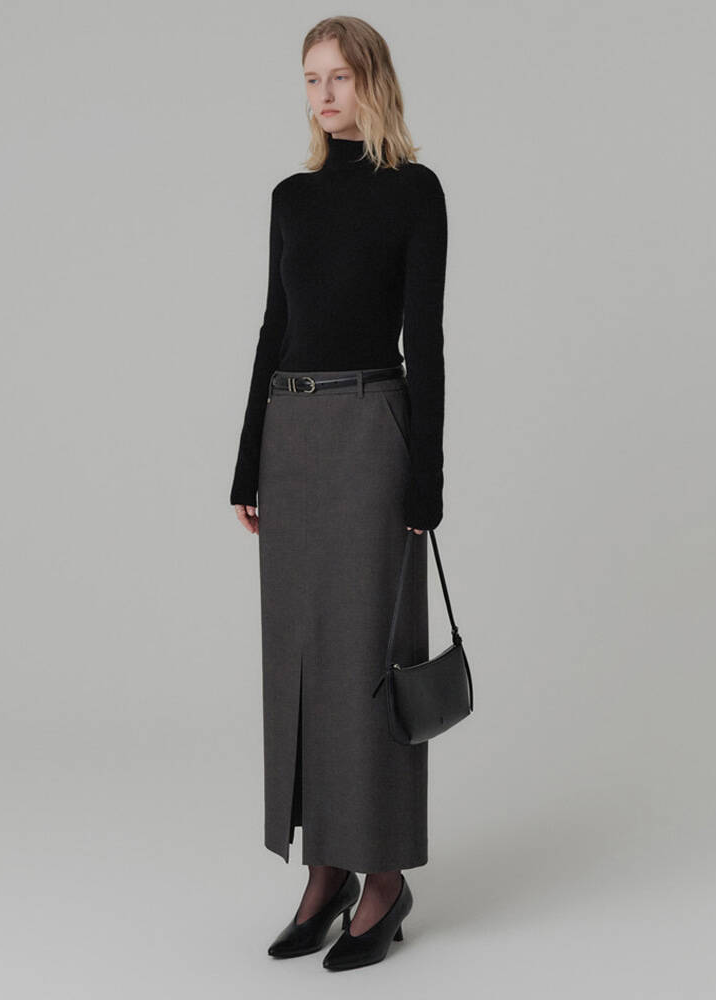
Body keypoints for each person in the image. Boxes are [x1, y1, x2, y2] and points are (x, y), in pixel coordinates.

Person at [229, 16, 448, 971]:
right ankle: (324, 872)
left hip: (370, 429)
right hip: (291, 434)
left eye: (340, 77)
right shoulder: (292, 198)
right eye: (312, 79)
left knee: (367, 660)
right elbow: (273, 326)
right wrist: (247, 462)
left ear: (374, 82)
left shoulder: (414, 191)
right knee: (300, 658)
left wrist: (426, 477)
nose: (324, 95)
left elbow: (425, 340)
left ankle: (384, 877)